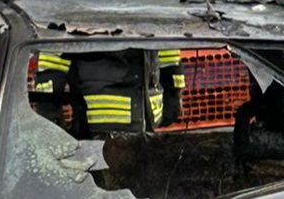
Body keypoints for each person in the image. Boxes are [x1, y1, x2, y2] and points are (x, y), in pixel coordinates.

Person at [31, 48, 183, 138]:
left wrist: (172, 91)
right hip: (96, 129)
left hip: (145, 125)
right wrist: (48, 106)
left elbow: (167, 44)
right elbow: (53, 54)